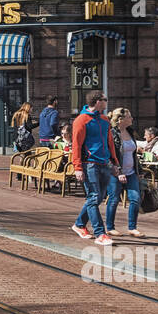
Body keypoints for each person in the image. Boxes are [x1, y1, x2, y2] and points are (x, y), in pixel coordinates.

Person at [71, 92, 120, 244]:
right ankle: (100, 233)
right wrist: (78, 167)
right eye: (105, 100)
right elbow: (76, 145)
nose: (107, 102)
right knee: (93, 197)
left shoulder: (105, 120)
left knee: (97, 198)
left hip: (104, 163)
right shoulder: (81, 120)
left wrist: (114, 163)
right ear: (98, 102)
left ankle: (79, 225)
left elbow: (110, 143)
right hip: (89, 164)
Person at [105, 108, 142, 237]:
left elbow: (134, 154)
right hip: (115, 173)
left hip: (131, 172)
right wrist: (117, 171)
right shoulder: (111, 133)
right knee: (114, 199)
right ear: (120, 120)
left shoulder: (131, 132)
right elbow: (108, 155)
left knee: (135, 199)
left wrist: (139, 170)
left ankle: (132, 227)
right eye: (129, 116)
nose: (131, 119)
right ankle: (110, 227)